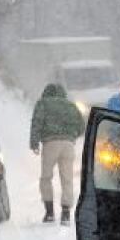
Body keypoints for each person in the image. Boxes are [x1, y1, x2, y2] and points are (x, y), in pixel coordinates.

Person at [30, 83, 85, 224]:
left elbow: (37, 123)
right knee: (67, 178)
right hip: (68, 145)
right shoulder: (70, 105)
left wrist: (34, 143)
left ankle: (49, 213)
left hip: (50, 144)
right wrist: (71, 136)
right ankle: (66, 213)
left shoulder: (43, 103)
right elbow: (81, 126)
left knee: (46, 177)